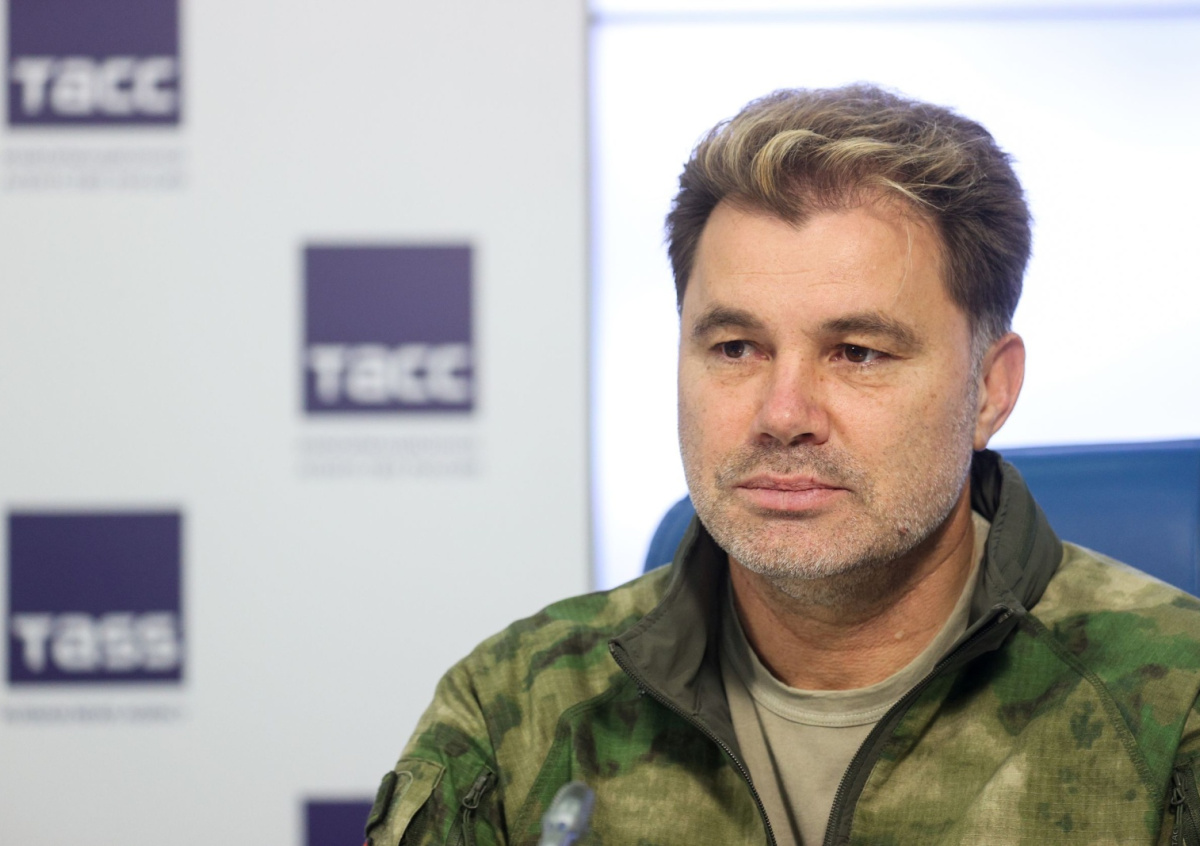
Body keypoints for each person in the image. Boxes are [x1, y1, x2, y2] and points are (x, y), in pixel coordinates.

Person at [364, 84, 1200, 845]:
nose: (784, 415)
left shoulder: (1178, 709)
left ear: (990, 389)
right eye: (736, 347)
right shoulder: (514, 712)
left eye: (859, 352)